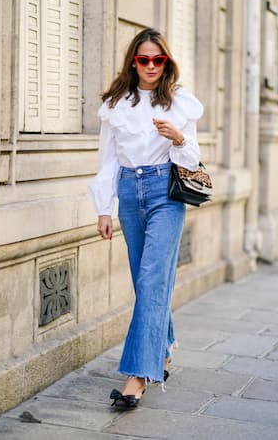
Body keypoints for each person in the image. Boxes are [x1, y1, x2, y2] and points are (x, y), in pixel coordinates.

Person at [89, 28, 203, 409]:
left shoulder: (179, 103)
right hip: (127, 193)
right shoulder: (116, 104)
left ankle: (136, 375)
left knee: (153, 279)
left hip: (165, 194)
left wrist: (179, 138)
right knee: (145, 281)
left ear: (166, 62)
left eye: (158, 60)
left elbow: (192, 160)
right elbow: (107, 160)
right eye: (144, 59)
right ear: (133, 62)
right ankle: (164, 347)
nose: (151, 66)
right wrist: (104, 208)